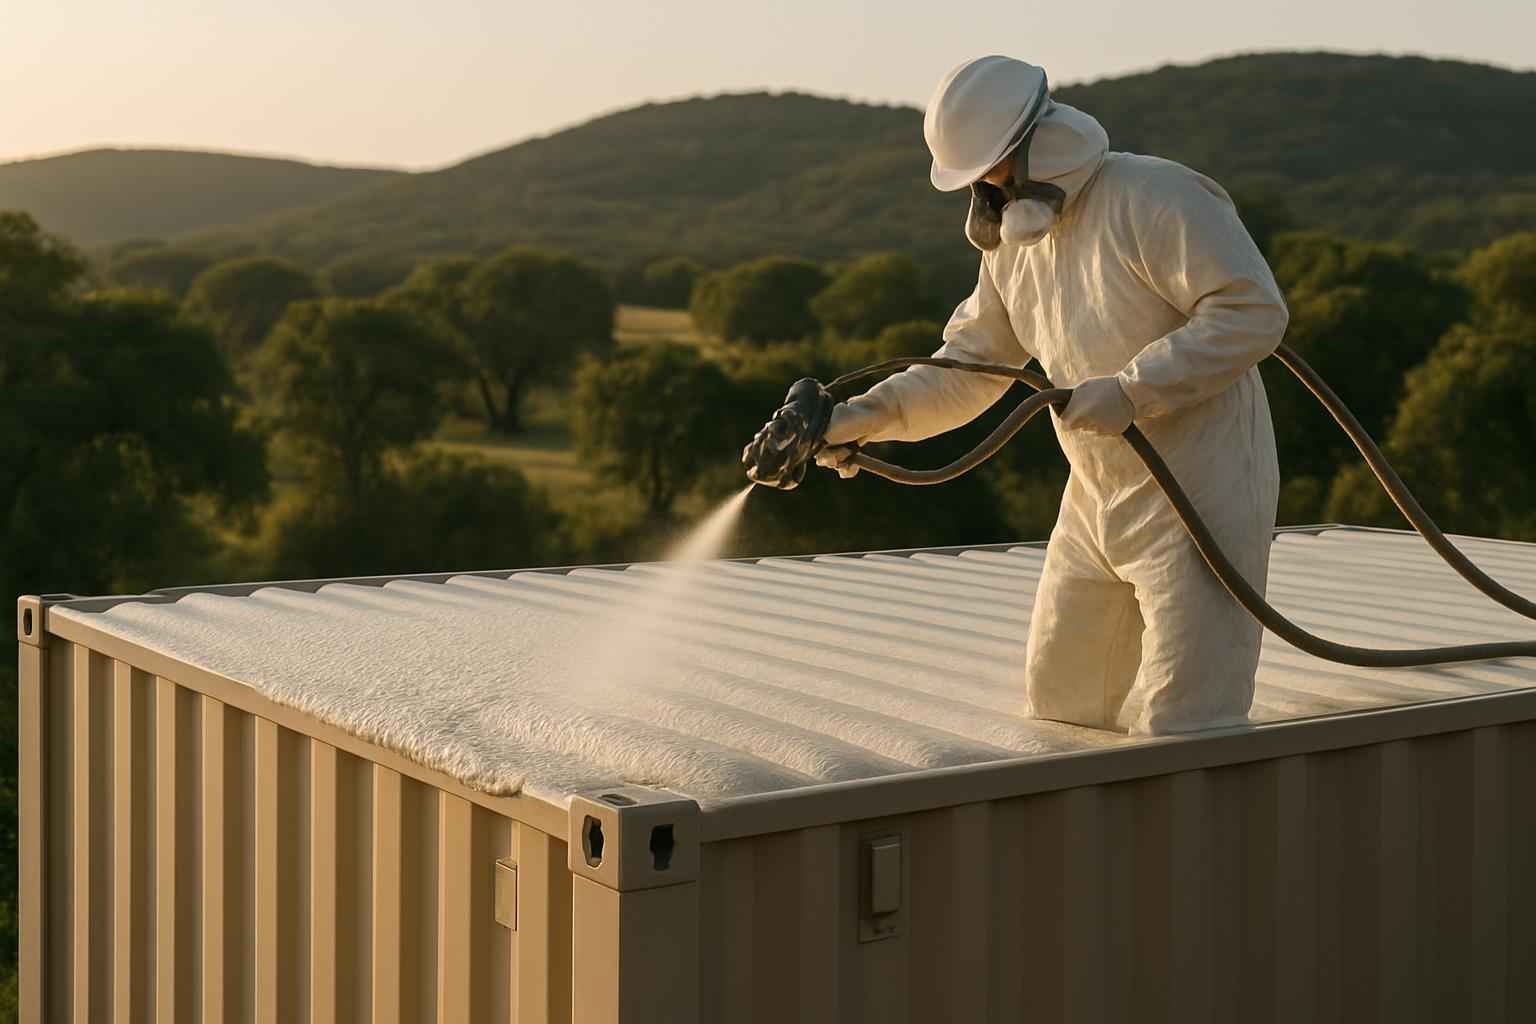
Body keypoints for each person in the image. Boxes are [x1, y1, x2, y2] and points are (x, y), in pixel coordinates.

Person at [816, 55, 1287, 734]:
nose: (987, 189)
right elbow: (972, 367)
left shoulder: (1155, 196)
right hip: (1095, 497)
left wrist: (1134, 389)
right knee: (1061, 706)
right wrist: (863, 417)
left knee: (1189, 725)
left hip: (1198, 493)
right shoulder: (1013, 246)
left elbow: (1252, 311)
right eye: (977, 179)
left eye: (994, 170)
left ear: (1042, 143)